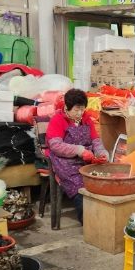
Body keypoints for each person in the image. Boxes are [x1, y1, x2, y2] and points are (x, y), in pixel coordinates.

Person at [46, 88, 108, 224]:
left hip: (87, 160)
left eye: (82, 109)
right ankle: (88, 222)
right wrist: (79, 150)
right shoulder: (57, 120)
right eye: (76, 110)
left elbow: (96, 140)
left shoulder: (87, 119)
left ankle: (103, 217)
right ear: (67, 107)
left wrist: (101, 153)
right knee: (81, 188)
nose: (80, 113)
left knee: (102, 180)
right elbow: (55, 146)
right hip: (65, 162)